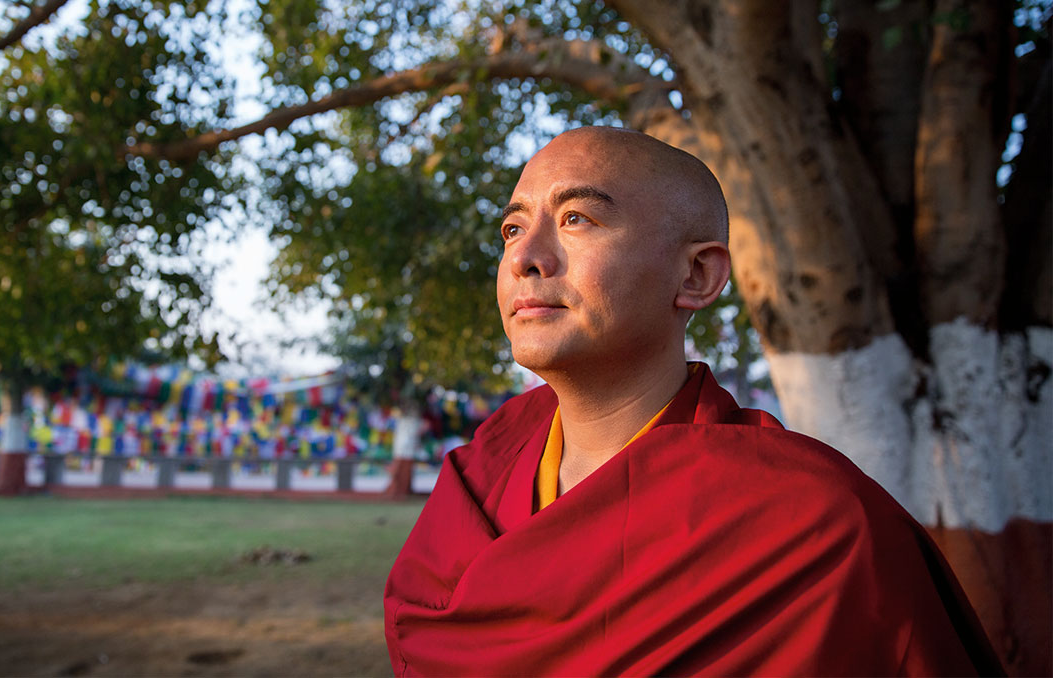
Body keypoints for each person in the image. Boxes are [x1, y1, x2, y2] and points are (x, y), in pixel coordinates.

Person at [383, 127, 1002, 676]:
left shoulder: (817, 526)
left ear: (697, 277)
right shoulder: (481, 473)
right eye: (514, 228)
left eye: (576, 219)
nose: (523, 257)